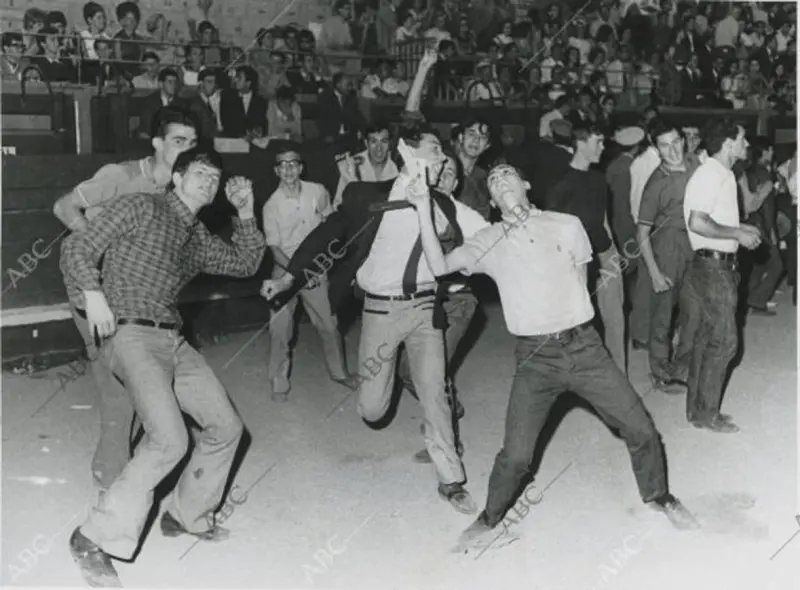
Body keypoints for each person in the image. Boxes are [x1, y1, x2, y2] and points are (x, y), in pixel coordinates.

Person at [404, 162, 697, 551]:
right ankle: (490, 517)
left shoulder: (567, 224)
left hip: (586, 348)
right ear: (491, 200)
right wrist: (423, 206)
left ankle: (659, 495)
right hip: (535, 358)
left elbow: (581, 276)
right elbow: (440, 267)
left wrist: (569, 320)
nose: (500, 180)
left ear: (526, 184)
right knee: (516, 457)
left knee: (641, 428)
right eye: (492, 180)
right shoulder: (487, 240)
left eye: (507, 173)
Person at [62, 146, 266, 587]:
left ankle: (185, 515)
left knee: (226, 426)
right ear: (176, 178)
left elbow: (246, 263)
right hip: (131, 334)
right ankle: (92, 538)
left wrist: (247, 213)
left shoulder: (197, 237)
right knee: (169, 439)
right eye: (198, 174)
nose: (208, 183)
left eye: (214, 178)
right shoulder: (140, 205)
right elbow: (77, 249)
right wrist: (93, 294)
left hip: (172, 338)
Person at [262, 120, 488, 515]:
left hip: (424, 309)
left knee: (435, 392)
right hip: (381, 310)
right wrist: (288, 279)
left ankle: (451, 480)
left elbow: (489, 235)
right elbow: (323, 237)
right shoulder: (365, 195)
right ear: (406, 150)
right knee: (372, 408)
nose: (442, 159)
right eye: (435, 150)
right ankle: (384, 391)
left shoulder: (446, 204)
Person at [53, 106, 199, 496]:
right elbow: (63, 206)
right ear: (157, 143)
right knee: (119, 386)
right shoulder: (121, 176)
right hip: (90, 283)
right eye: (178, 141)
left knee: (138, 381)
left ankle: (116, 469)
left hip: (132, 291)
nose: (186, 149)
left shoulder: (178, 190)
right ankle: (111, 481)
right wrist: (99, 246)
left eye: (193, 143)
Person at [680, 120, 761, 433]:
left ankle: (698, 411)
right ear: (728, 144)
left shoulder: (721, 174)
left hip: (712, 265)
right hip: (714, 269)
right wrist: (737, 233)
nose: (746, 145)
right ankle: (707, 414)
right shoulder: (711, 174)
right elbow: (698, 222)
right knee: (725, 342)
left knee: (706, 339)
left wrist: (741, 227)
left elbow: (712, 218)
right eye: (742, 139)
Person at [261, 145, 360, 401]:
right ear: (276, 170)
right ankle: (278, 382)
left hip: (316, 269)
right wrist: (298, 273)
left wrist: (316, 267)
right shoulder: (271, 205)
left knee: (329, 324)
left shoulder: (317, 191)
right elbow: (274, 249)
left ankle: (340, 373)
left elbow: (329, 223)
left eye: (293, 163)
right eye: (282, 165)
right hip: (284, 270)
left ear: (301, 167)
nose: (288, 169)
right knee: (280, 329)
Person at [544, 124, 627, 374]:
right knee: (581, 324)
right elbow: (552, 230)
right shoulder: (561, 185)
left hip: (605, 255)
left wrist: (614, 253)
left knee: (615, 319)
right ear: (580, 144)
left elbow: (603, 220)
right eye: (598, 142)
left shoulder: (598, 179)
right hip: (576, 261)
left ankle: (618, 377)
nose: (603, 148)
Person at [636, 121, 701, 394]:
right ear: (656, 148)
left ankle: (682, 367)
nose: (672, 150)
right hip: (666, 248)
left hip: (695, 243)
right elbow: (642, 232)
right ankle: (660, 371)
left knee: (695, 312)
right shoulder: (655, 183)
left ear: (684, 141)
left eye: (676, 142)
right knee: (663, 315)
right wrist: (653, 272)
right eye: (664, 145)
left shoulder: (696, 165)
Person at [334, 122, 399, 209]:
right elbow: (337, 204)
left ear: (389, 144)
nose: (379, 148)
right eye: (373, 141)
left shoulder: (397, 169)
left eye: (383, 141)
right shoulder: (352, 166)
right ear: (366, 143)